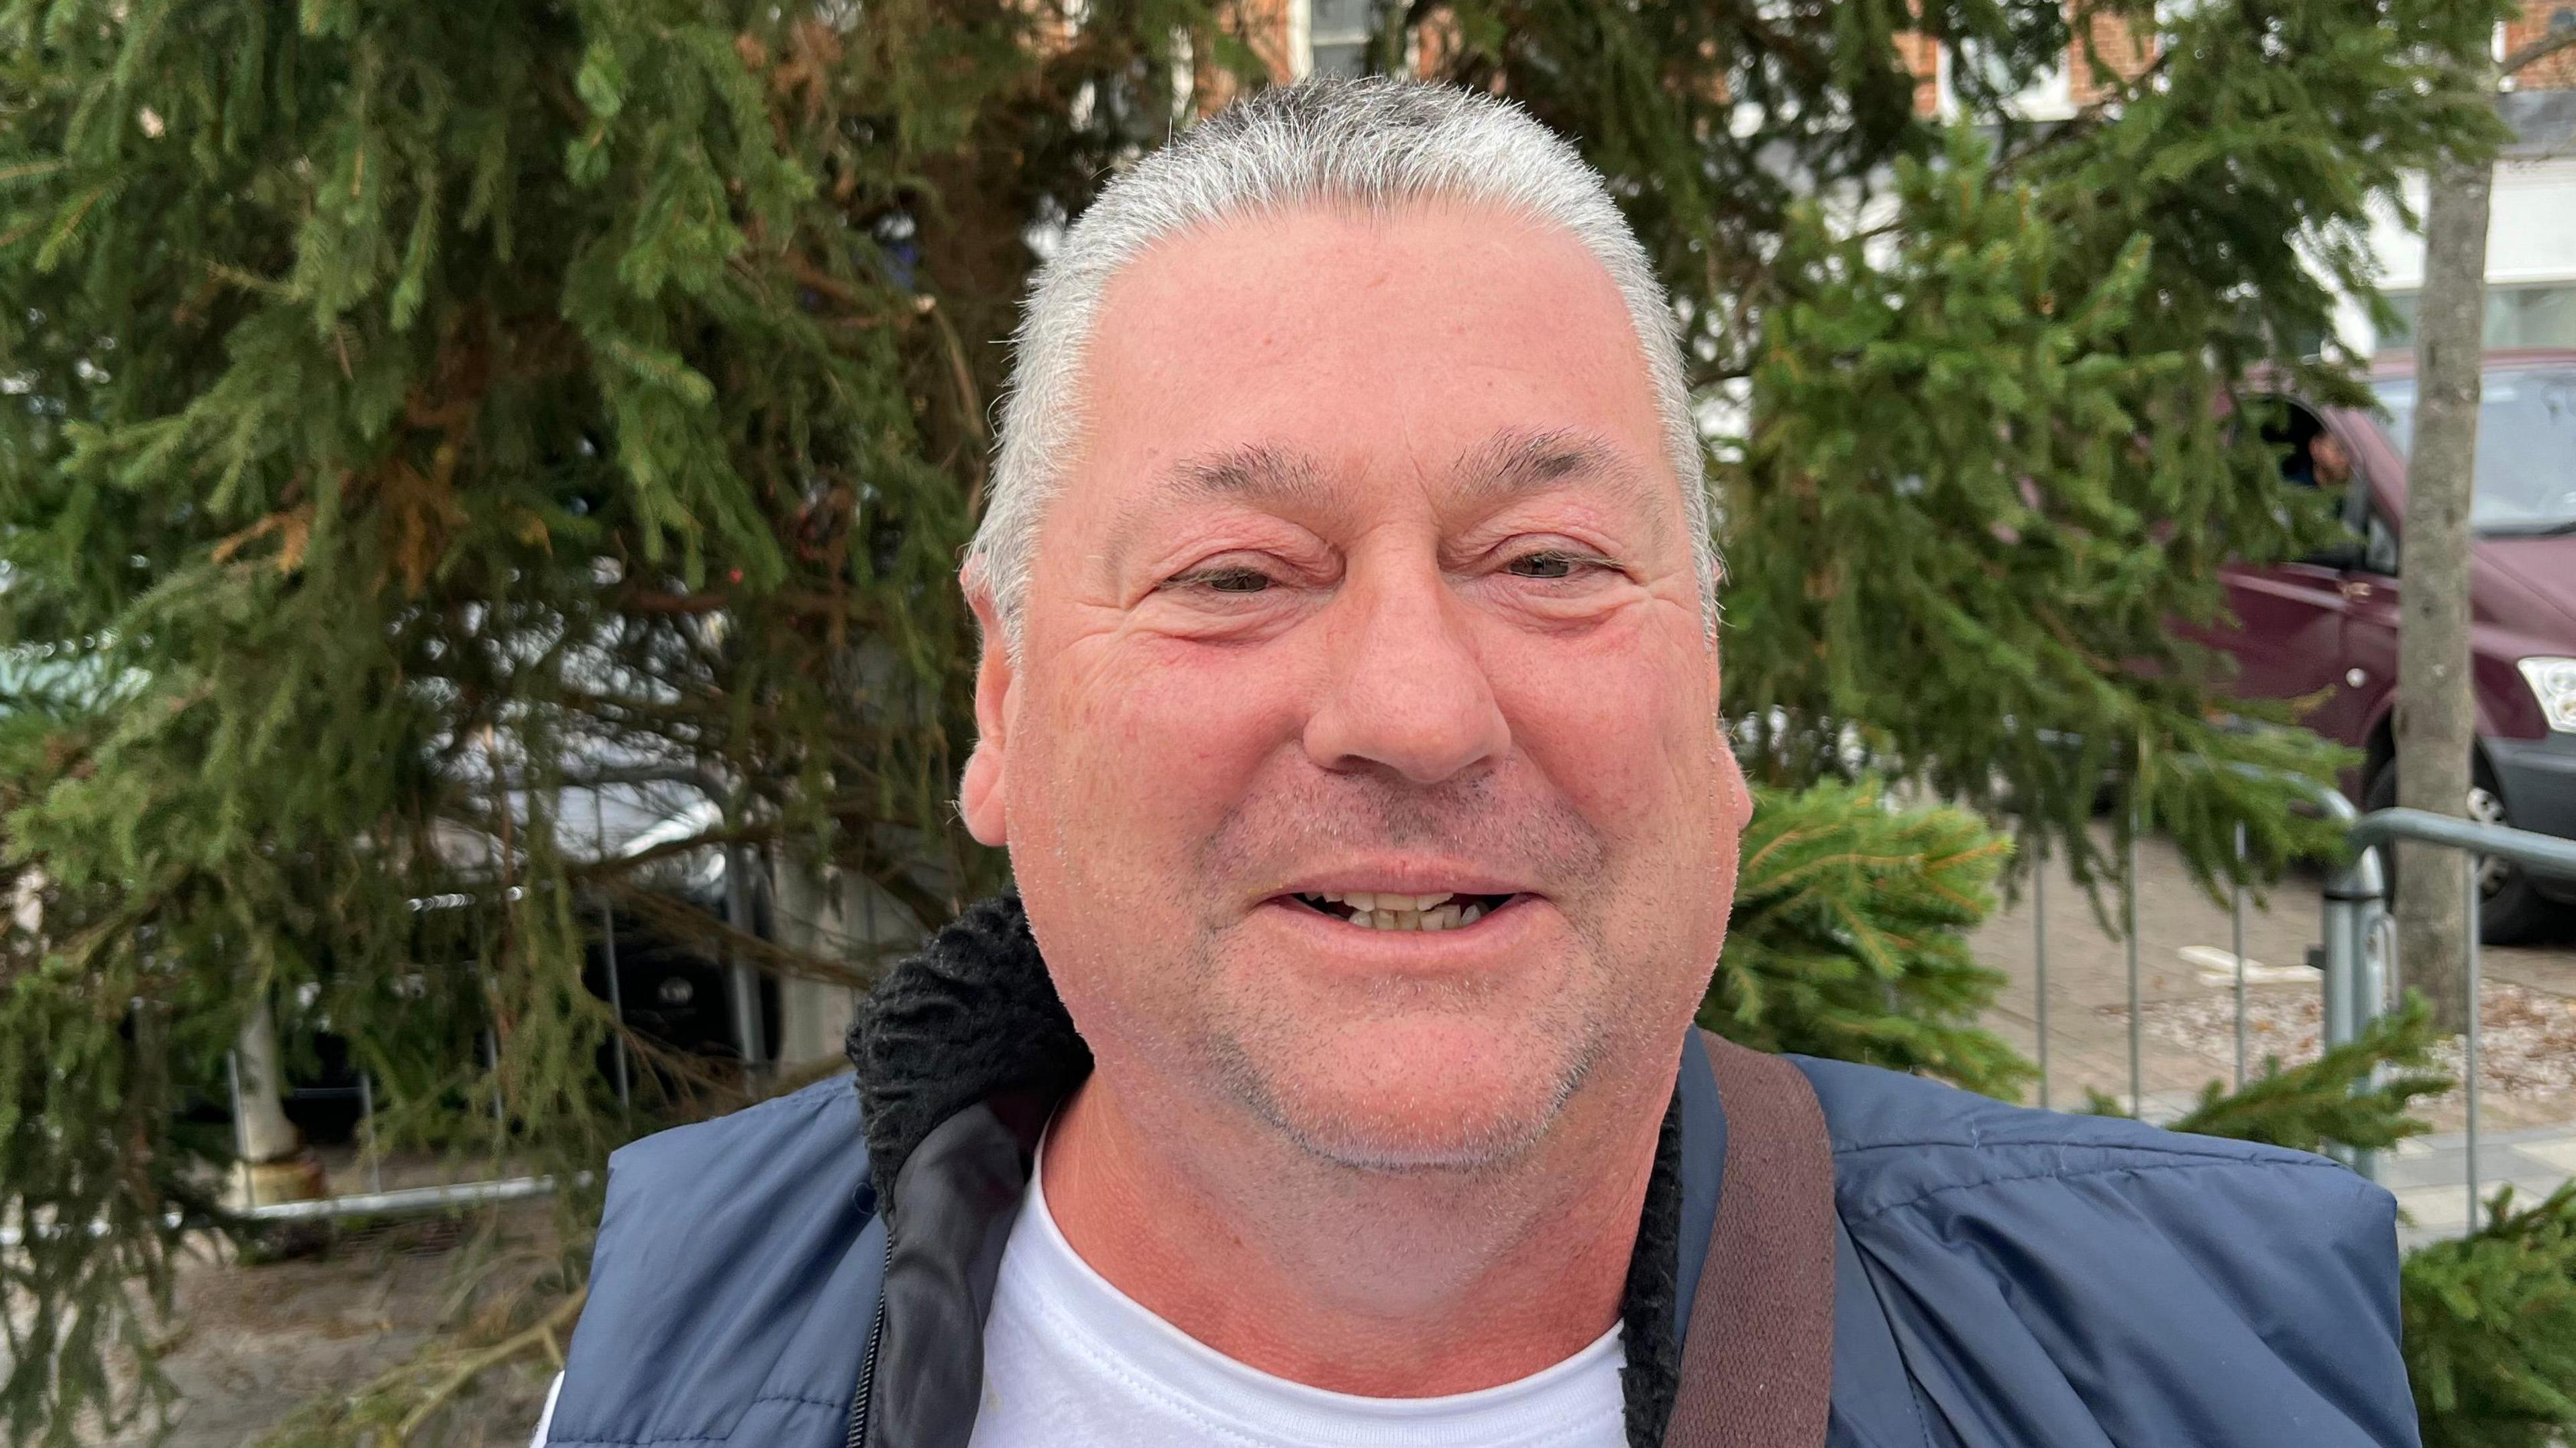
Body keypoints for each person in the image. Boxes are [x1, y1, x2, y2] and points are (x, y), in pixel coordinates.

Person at [537, 79, 2416, 1448]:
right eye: (1238, 576)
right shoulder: (666, 1352)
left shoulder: (2199, 1366)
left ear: (1714, 701)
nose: (1419, 713)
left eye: (1548, 563)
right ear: (1005, 702)